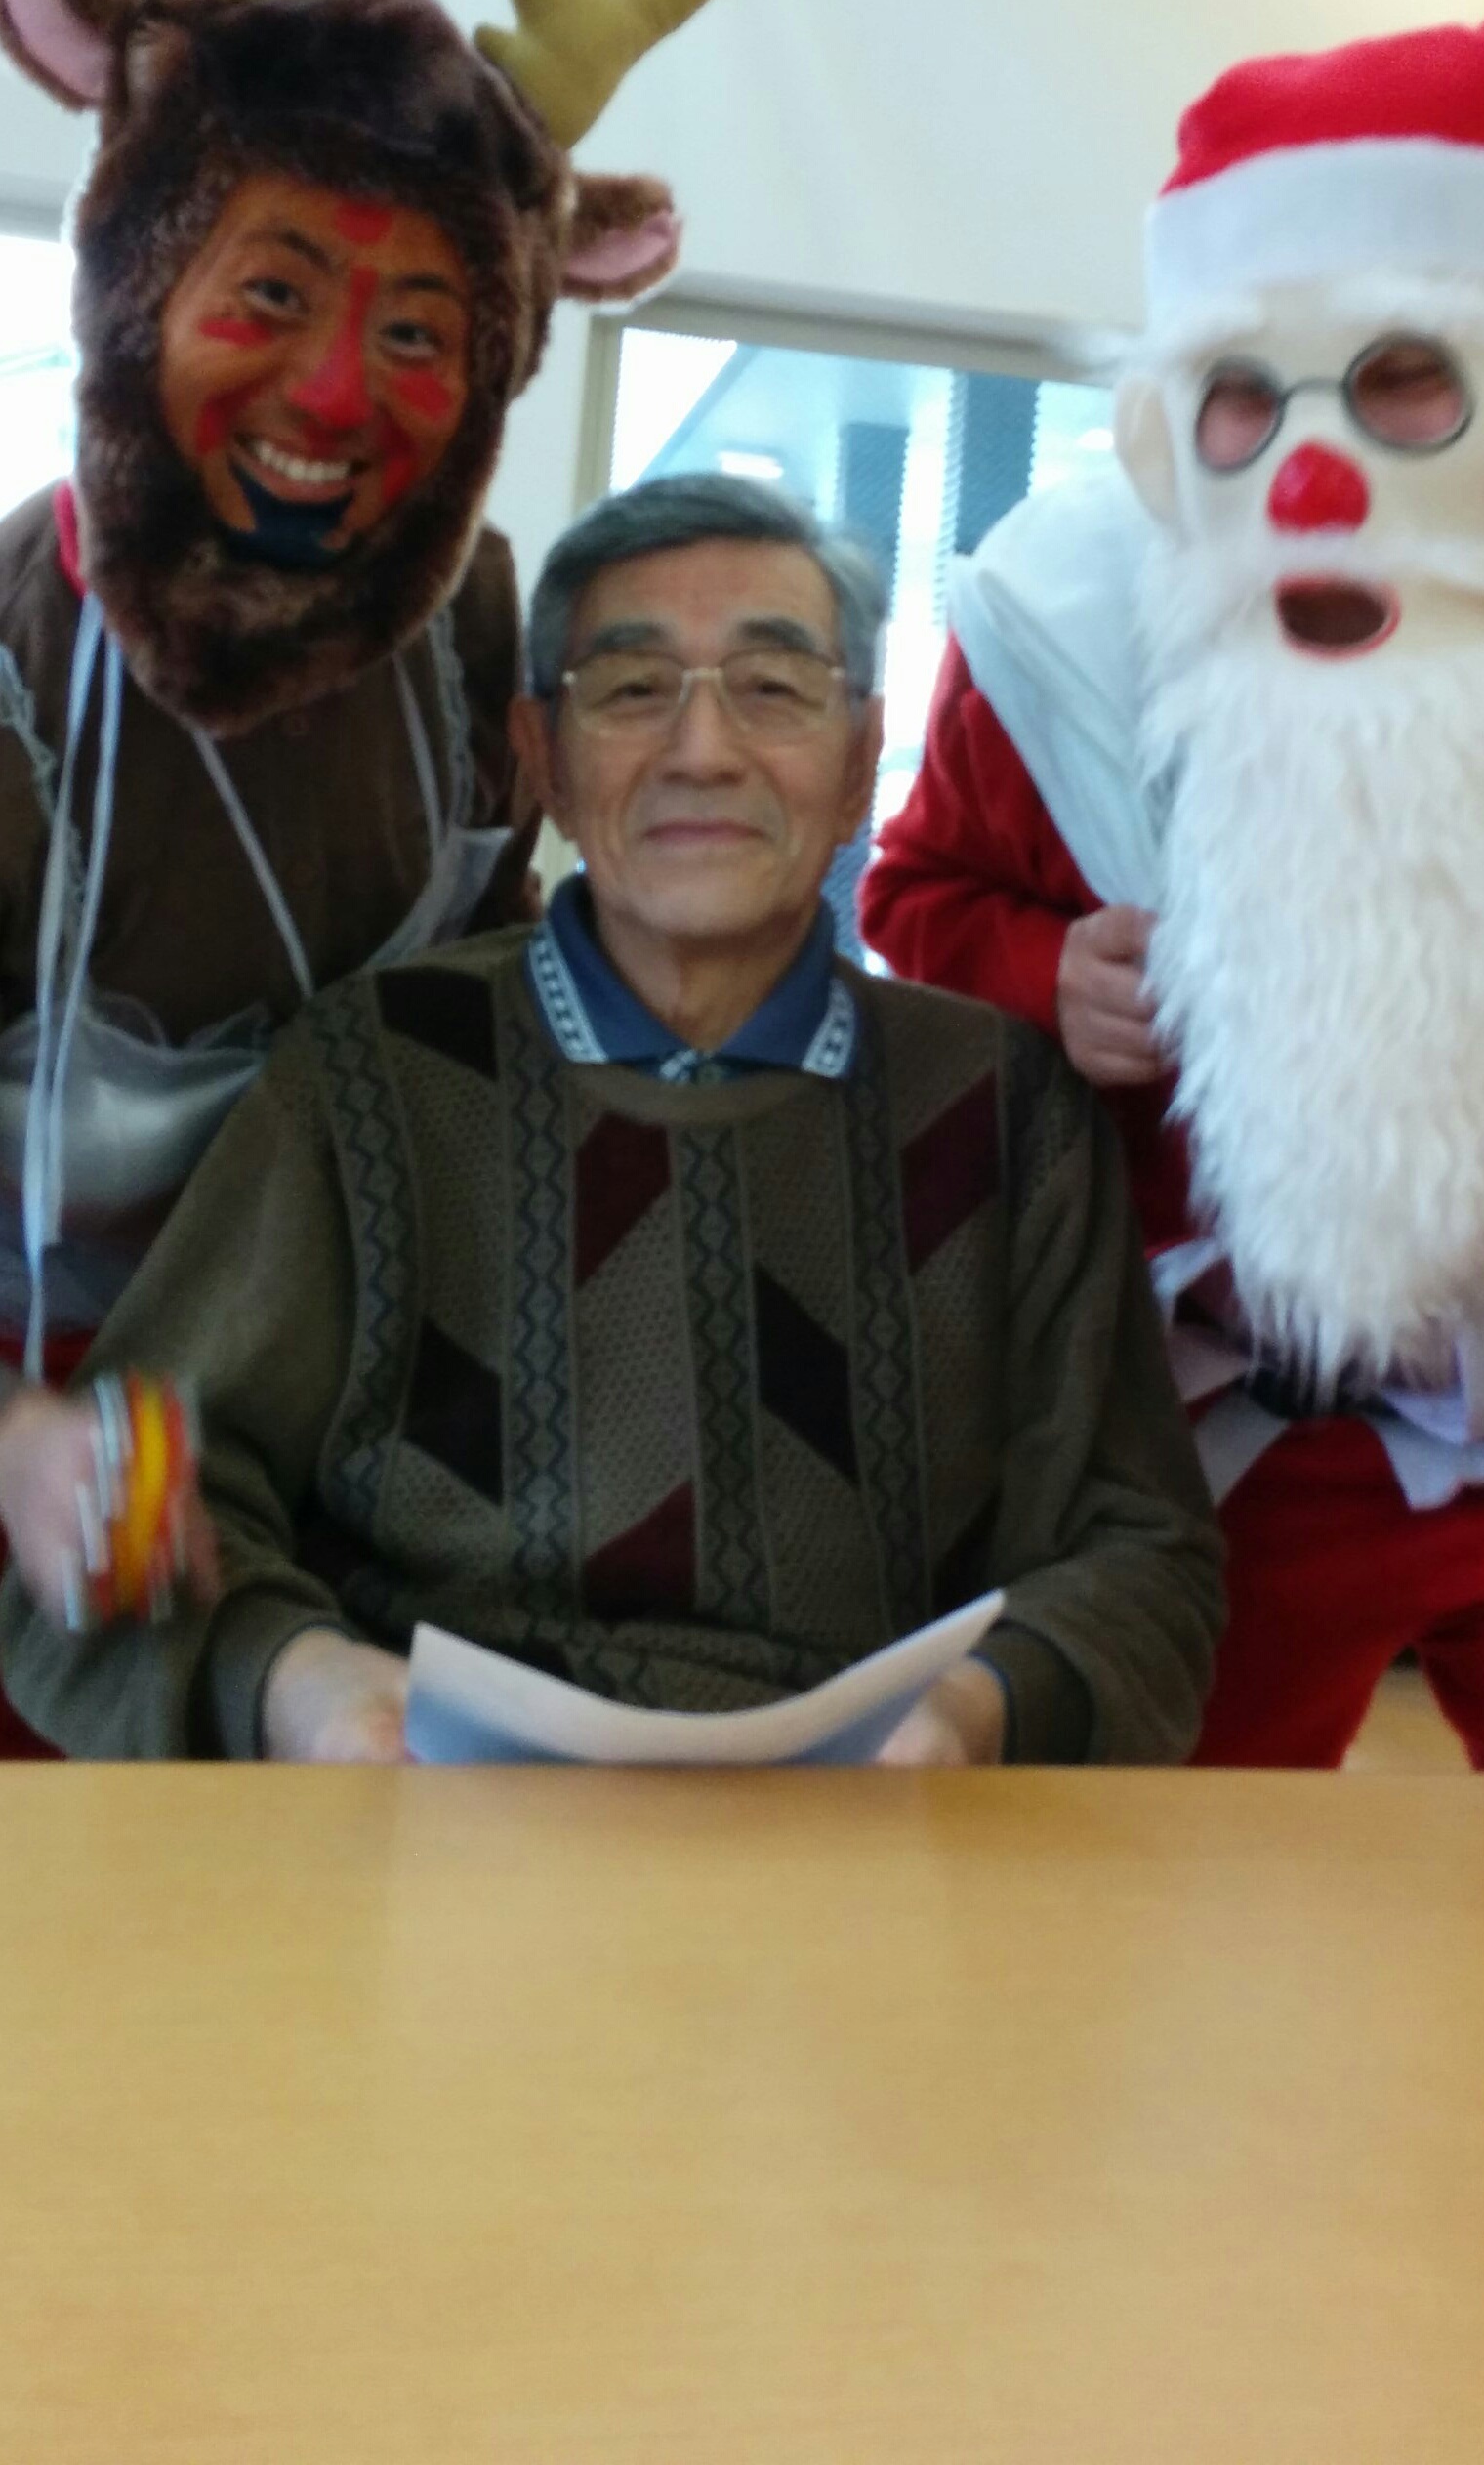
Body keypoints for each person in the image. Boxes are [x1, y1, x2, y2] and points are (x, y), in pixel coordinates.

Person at [0, 0, 798, 1741]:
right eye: (268, 294)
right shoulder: (9, 674)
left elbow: (491, 1027)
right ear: (135, 282)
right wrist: (18, 1440)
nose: (337, 399)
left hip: (310, 1462)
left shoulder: (471, 651)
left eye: (425, 333)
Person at [863, 7, 1484, 1784]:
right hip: (1223, 1417)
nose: (1318, 473)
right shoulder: (1062, 630)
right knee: (1082, 1883)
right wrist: (1047, 971)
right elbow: (918, 901)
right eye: (1246, 396)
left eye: (1408, 379)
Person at [0, 476, 1223, 1763]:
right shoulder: (370, 1078)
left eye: (773, 686)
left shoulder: (1007, 1112)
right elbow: (123, 1518)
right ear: (542, 760)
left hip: (877, 1829)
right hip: (414, 1810)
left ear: (863, 763)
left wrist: (969, 1717)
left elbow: (1142, 1557)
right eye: (634, 689)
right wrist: (309, 1695)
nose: (704, 752)